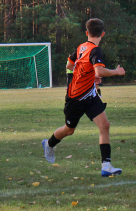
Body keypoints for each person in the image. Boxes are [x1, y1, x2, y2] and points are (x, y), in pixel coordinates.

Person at [42, 18, 125, 177]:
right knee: (69, 130)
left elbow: (69, 65)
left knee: (104, 125)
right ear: (103, 34)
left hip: (90, 95)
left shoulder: (82, 47)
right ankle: (49, 143)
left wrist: (88, 76)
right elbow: (99, 72)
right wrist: (116, 72)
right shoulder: (94, 50)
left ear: (87, 33)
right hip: (76, 98)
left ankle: (106, 166)